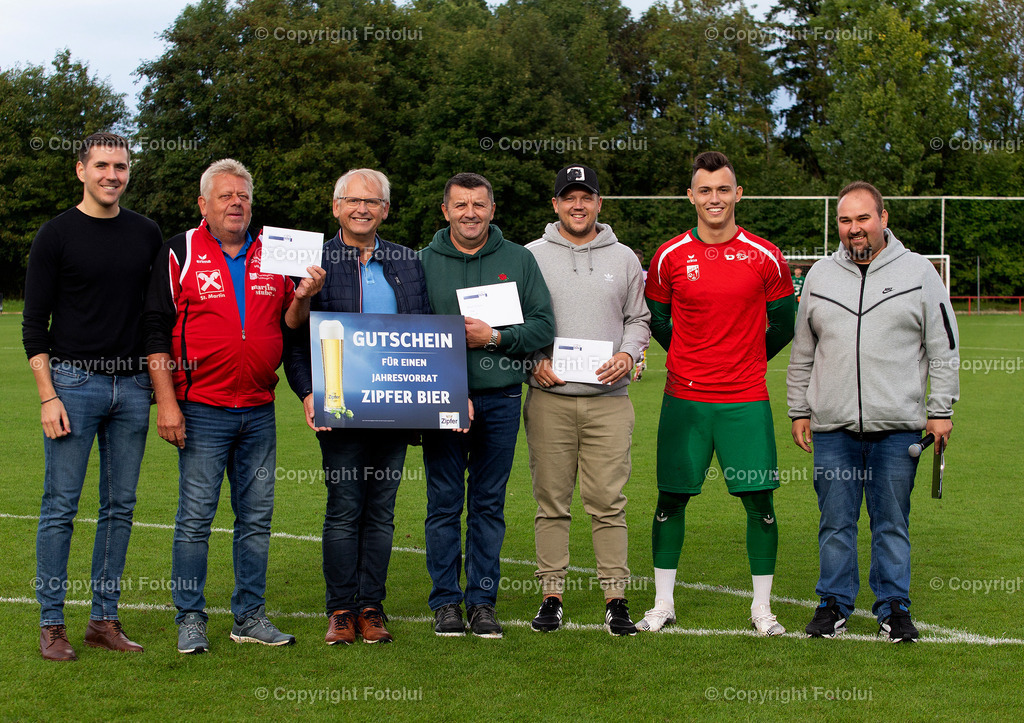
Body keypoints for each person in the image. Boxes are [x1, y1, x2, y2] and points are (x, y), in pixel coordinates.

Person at [143, 159, 324, 654]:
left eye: (242, 195)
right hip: (200, 405)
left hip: (258, 409)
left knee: (257, 517)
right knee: (195, 517)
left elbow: (291, 324)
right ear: (204, 204)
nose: (236, 204)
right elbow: (155, 330)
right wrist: (167, 403)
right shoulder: (179, 250)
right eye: (225, 196)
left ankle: (249, 615)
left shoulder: (277, 251)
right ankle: (190, 617)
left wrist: (306, 295)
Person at [787, 181, 960, 643]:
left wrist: (940, 409)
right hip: (833, 429)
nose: (854, 228)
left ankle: (894, 608)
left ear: (884, 219)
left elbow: (943, 347)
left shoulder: (920, 272)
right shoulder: (820, 277)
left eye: (863, 218)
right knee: (835, 522)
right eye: (846, 220)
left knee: (891, 524)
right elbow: (803, 351)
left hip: (897, 429)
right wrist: (798, 409)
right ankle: (833, 604)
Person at [638, 151, 795, 636]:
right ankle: (663, 603)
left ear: (738, 194)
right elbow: (658, 319)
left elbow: (785, 323)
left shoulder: (765, 255)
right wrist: (690, 357)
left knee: (760, 505)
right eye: (704, 190)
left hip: (745, 400)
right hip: (684, 401)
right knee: (670, 499)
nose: (714, 199)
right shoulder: (668, 256)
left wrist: (745, 360)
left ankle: (762, 609)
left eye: (723, 189)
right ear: (691, 196)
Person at [23, 132, 163, 661]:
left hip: (131, 389)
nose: (112, 175)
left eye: (121, 166)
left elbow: (156, 316)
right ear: (80, 170)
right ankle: (52, 624)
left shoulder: (146, 233)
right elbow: (34, 325)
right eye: (101, 165)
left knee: (120, 507)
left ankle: (103, 620)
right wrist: (47, 395)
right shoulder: (55, 235)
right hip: (73, 385)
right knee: (60, 507)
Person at [283, 169, 431, 645]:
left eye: (373, 202)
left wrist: (434, 395)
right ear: (336, 206)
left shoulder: (408, 261)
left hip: (395, 406)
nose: (362, 208)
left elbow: (426, 333)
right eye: (352, 200)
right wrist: (308, 392)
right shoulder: (313, 261)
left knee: (382, 511)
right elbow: (293, 336)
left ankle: (372, 607)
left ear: (386, 210)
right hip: (341, 406)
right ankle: (341, 610)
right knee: (345, 507)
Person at [419, 172, 554, 638]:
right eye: (460, 205)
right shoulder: (422, 262)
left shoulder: (519, 259)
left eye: (479, 204)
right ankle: (445, 604)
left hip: (500, 398)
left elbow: (542, 328)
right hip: (442, 399)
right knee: (443, 502)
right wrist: (451, 386)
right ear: (445, 211)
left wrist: (493, 337)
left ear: (492, 209)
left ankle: (482, 602)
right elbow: (409, 335)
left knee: (488, 503)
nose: (470, 213)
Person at [523, 165, 650, 636]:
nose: (578, 205)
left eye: (587, 197)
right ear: (555, 204)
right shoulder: (530, 256)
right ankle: (551, 596)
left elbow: (639, 319)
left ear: (599, 203)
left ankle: (615, 599)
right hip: (549, 398)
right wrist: (531, 360)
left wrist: (627, 352)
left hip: (609, 401)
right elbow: (518, 323)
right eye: (569, 197)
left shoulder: (625, 259)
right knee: (551, 501)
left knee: (607, 502)